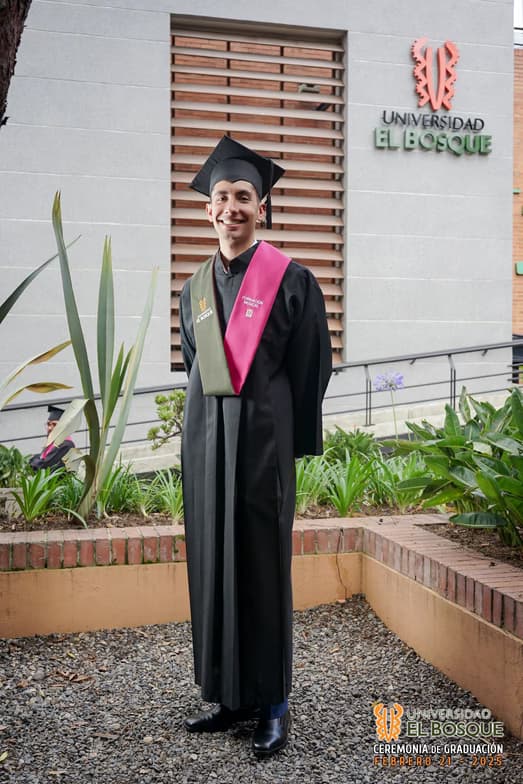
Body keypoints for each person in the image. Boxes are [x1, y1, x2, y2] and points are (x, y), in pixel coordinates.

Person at [179, 136, 332, 758]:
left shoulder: (292, 280)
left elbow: (311, 367)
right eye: (222, 197)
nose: (231, 207)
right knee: (213, 564)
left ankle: (272, 704)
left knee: (262, 570)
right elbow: (193, 365)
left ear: (261, 208)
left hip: (263, 447)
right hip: (205, 448)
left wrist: (286, 434)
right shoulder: (193, 288)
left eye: (243, 196)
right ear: (208, 209)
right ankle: (229, 695)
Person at [29, 405, 75, 471]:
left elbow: (44, 466)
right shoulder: (52, 443)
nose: (50, 428)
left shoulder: (66, 445)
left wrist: (34, 460)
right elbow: (42, 459)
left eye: (54, 424)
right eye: (48, 424)